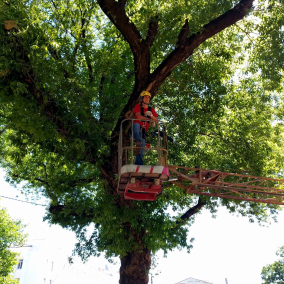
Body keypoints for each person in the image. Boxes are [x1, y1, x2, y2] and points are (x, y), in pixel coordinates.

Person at [132, 91, 158, 165]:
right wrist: (149, 119)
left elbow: (157, 120)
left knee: (142, 145)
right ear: (141, 99)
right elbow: (139, 116)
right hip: (136, 130)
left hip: (143, 132)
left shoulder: (151, 109)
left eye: (148, 97)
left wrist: (151, 115)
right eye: (145, 97)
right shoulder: (138, 106)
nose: (147, 99)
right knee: (136, 124)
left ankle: (138, 163)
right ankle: (137, 141)